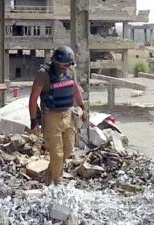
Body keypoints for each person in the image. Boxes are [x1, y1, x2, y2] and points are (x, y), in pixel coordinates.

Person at [29, 46, 87, 185]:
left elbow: (75, 89)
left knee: (68, 149)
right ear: (55, 62)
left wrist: (82, 107)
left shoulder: (70, 71)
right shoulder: (44, 74)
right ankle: (58, 184)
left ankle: (48, 177)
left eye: (67, 65)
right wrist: (34, 121)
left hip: (68, 115)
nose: (65, 68)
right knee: (57, 153)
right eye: (63, 65)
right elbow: (33, 98)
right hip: (51, 117)